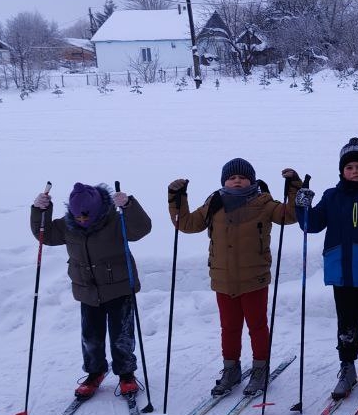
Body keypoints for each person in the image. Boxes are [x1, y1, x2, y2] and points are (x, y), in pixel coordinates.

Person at [167, 158, 300, 397]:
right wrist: (177, 198)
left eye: (242, 177)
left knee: (257, 326)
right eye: (232, 177)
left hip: (254, 278)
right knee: (229, 327)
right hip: (223, 280)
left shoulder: (263, 202)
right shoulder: (214, 202)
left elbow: (288, 216)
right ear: (224, 181)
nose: (237, 180)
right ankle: (231, 369)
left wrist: (293, 187)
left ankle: (260, 368)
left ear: (251, 180)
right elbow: (185, 223)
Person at [297, 139, 358, 401]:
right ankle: (348, 368)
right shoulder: (332, 196)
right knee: (347, 325)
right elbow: (312, 225)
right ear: (342, 170)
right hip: (341, 271)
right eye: (350, 167)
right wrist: (302, 205)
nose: (355, 171)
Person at [30, 182, 151, 398]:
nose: (83, 220)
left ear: (98, 210)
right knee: (91, 338)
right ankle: (95, 372)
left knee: (121, 336)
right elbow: (44, 235)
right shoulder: (67, 226)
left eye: (87, 216)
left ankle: (126, 375)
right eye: (78, 216)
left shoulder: (116, 221)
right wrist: (41, 210)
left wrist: (129, 205)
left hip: (119, 289)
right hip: (87, 291)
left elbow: (141, 229)